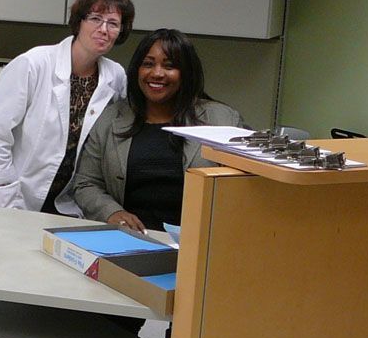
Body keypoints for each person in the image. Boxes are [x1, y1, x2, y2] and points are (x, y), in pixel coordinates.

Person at [0, 0, 136, 215]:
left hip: (66, 202)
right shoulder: (33, 64)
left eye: (113, 23)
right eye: (95, 19)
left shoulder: (116, 76)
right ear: (79, 21)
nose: (104, 29)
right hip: (14, 195)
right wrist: (5, 191)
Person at [72, 28, 244, 232]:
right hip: (130, 239)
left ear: (186, 73)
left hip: (198, 241)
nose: (157, 73)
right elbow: (86, 183)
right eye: (148, 64)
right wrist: (111, 213)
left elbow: (245, 187)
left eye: (169, 66)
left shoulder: (222, 119)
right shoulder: (111, 118)